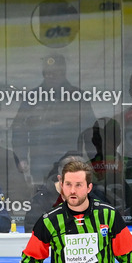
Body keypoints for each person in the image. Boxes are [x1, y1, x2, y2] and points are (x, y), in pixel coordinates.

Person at [11, 54, 97, 185]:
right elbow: (19, 129)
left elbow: (90, 131)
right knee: (41, 194)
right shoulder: (32, 97)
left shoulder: (78, 97)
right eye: (47, 73)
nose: (51, 76)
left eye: (55, 73)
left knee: (72, 194)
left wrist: (94, 160)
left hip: (71, 159)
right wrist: (21, 158)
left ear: (63, 73)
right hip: (40, 162)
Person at [88, 118, 132, 224]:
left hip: (128, 223)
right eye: (100, 139)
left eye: (110, 138)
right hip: (99, 224)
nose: (105, 143)